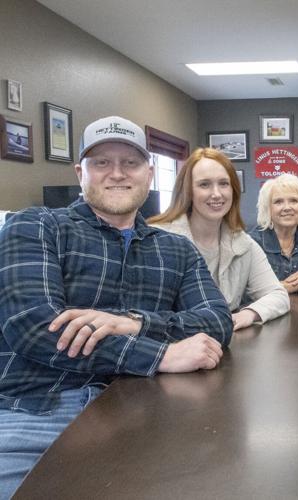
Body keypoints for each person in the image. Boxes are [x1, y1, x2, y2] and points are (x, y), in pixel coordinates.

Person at [0, 116, 233, 497]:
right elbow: (34, 326)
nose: (117, 174)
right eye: (101, 163)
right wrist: (160, 354)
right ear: (81, 172)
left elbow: (217, 322)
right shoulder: (36, 226)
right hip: (36, 411)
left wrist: (133, 323)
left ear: (149, 172)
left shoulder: (177, 249)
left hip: (149, 411)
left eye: (130, 163)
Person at [148, 148, 289, 329]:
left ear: (233, 190)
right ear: (188, 191)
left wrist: (248, 314)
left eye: (223, 184)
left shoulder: (243, 243)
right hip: (173, 347)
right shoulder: (156, 240)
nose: (216, 194)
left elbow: (278, 295)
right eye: (204, 185)